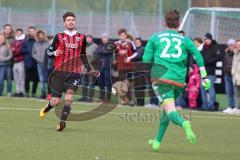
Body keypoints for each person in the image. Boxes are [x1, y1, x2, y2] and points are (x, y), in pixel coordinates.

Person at [143, 10, 210, 151]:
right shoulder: (185, 40)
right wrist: (204, 76)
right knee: (166, 111)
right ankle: (157, 142)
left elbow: (146, 60)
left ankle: (184, 123)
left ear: (164, 22)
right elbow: (197, 54)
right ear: (178, 24)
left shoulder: (155, 38)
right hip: (179, 82)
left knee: (170, 111)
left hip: (161, 79)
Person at [39, 12, 99, 131]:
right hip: (59, 72)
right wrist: (54, 53)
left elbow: (82, 55)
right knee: (55, 101)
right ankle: (48, 107)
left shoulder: (81, 37)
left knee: (69, 98)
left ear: (75, 21)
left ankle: (62, 122)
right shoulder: (58, 36)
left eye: (72, 19)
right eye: (68, 20)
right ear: (64, 23)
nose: (71, 21)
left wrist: (90, 69)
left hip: (74, 72)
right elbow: (49, 51)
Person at [113, 28, 137, 105]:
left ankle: (128, 100)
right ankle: (129, 100)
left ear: (126, 35)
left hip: (129, 67)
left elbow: (136, 53)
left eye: (123, 35)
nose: (122, 37)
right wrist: (115, 59)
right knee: (124, 84)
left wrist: (129, 58)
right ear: (119, 36)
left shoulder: (130, 43)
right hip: (121, 67)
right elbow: (114, 53)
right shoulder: (116, 43)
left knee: (129, 85)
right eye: (121, 36)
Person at [201, 33, 220, 111]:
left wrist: (207, 61)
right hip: (203, 73)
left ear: (211, 39)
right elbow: (200, 57)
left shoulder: (215, 47)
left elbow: (218, 57)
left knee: (210, 89)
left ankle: (211, 106)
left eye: (208, 39)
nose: (206, 41)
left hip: (211, 73)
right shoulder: (203, 47)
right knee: (203, 90)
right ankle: (205, 106)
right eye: (205, 39)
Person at [94, 33, 113, 103]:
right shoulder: (99, 46)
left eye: (106, 37)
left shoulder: (110, 45)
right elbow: (95, 53)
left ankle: (108, 99)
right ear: (101, 39)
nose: (104, 39)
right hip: (99, 68)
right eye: (103, 37)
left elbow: (105, 52)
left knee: (108, 83)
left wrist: (100, 53)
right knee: (100, 83)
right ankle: (101, 98)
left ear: (108, 39)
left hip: (107, 67)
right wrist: (101, 53)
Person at [20, 26, 38, 97]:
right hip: (28, 62)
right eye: (30, 31)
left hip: (36, 63)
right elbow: (21, 50)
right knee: (27, 78)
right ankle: (27, 92)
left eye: (32, 31)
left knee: (36, 79)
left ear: (35, 31)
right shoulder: (26, 41)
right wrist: (28, 51)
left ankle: (34, 93)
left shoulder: (38, 40)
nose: (31, 32)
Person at [78, 34, 97, 102]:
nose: (88, 39)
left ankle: (90, 98)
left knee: (91, 84)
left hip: (92, 68)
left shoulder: (95, 46)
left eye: (89, 38)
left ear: (92, 39)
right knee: (83, 84)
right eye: (87, 38)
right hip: (83, 69)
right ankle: (84, 97)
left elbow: (96, 57)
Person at [32, 30, 49, 99]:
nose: (40, 36)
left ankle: (49, 94)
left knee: (47, 79)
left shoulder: (47, 44)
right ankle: (43, 93)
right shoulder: (35, 43)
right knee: (41, 79)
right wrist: (37, 59)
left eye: (42, 35)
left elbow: (50, 53)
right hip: (39, 63)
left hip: (46, 64)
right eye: (39, 35)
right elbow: (33, 53)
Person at [11, 29, 26, 97]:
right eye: (17, 33)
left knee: (21, 77)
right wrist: (15, 51)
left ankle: (22, 91)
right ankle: (17, 91)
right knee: (16, 78)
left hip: (21, 61)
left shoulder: (24, 41)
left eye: (20, 33)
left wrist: (15, 51)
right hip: (15, 61)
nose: (18, 34)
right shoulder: (14, 41)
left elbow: (21, 50)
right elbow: (12, 50)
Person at [222, 39, 236, 113]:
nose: (230, 46)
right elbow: (224, 62)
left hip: (234, 75)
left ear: (235, 45)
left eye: (232, 44)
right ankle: (231, 106)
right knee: (229, 92)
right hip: (227, 75)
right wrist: (224, 70)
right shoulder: (226, 53)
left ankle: (237, 107)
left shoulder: (237, 53)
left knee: (236, 92)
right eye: (229, 45)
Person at [132, 37, 146, 106]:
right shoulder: (134, 50)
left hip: (141, 71)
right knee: (136, 87)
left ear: (141, 43)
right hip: (134, 71)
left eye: (138, 42)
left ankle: (141, 103)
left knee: (140, 87)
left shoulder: (142, 49)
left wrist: (129, 57)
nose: (137, 43)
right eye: (136, 42)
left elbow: (137, 56)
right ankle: (138, 102)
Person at [3, 24, 15, 96]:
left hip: (9, 62)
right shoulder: (1, 37)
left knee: (9, 78)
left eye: (9, 29)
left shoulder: (13, 39)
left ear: (11, 30)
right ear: (4, 29)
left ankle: (9, 92)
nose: (7, 30)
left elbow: (14, 50)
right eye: (6, 29)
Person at [230, 39, 240, 114]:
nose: (238, 46)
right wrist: (233, 72)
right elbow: (234, 65)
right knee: (236, 93)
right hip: (236, 77)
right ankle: (237, 108)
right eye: (237, 44)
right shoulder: (235, 54)